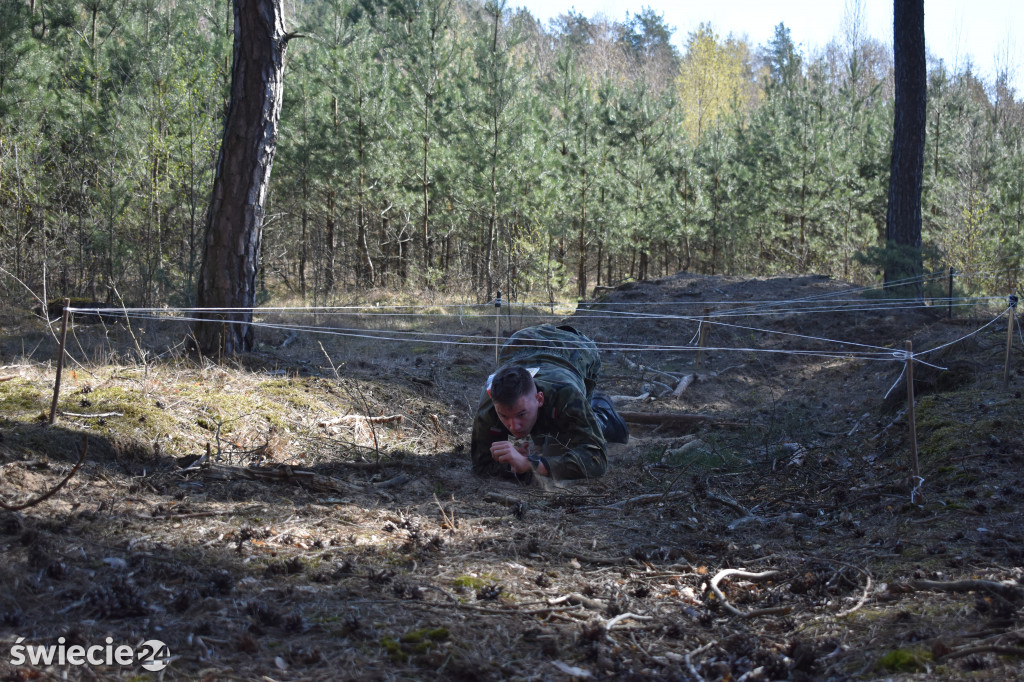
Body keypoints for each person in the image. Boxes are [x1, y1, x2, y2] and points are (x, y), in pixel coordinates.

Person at [470, 324, 629, 483]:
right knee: (546, 446)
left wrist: (531, 464)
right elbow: (482, 465)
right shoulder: (492, 401)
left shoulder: (566, 394)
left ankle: (603, 416)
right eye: (504, 416)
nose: (514, 426)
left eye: (521, 414)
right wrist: (512, 463)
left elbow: (596, 460)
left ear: (539, 399)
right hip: (520, 345)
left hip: (575, 349)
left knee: (563, 445)